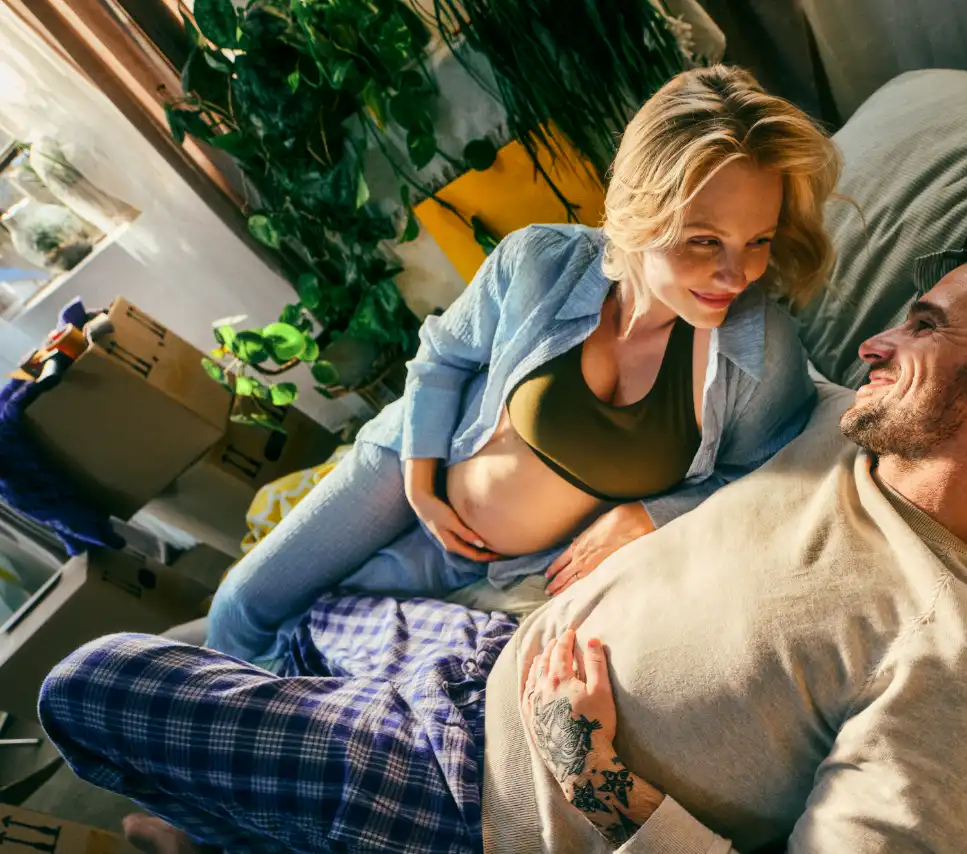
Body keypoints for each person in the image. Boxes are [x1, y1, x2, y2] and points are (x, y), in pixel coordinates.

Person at [39, 224, 967, 853]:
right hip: (473, 658)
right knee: (277, 615)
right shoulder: (832, 423)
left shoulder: (955, 662)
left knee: (94, 685)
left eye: (924, 325)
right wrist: (646, 508)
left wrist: (603, 783)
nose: (877, 338)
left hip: (475, 795)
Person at [204, 65, 838, 665]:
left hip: (499, 565)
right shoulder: (542, 261)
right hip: (409, 477)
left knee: (307, 644)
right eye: (706, 240)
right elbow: (445, 356)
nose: (738, 273)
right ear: (644, 210)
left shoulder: (758, 349)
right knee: (240, 610)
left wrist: (650, 515)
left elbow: (767, 481)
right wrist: (422, 486)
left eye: (758, 240)